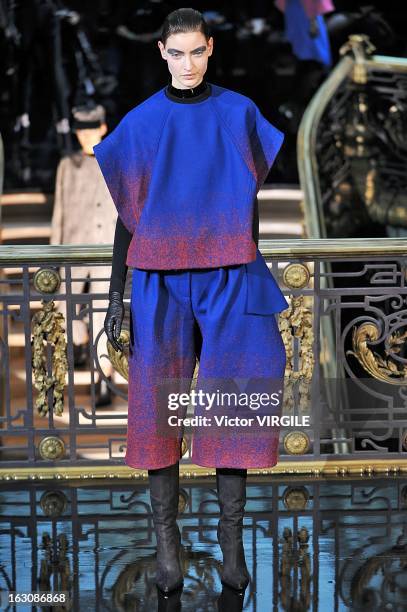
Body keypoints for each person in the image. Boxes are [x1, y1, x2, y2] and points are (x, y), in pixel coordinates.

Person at [94, 8, 288, 594]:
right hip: (158, 278)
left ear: (210, 49)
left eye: (196, 52)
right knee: (158, 409)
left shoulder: (238, 111)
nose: (187, 64)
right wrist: (115, 297)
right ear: (161, 52)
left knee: (234, 405)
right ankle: (168, 556)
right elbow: (127, 220)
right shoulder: (143, 121)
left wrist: (252, 264)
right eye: (175, 54)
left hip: (230, 272)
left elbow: (248, 200)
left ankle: (231, 554)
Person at [50, 104, 117, 406]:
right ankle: (79, 343)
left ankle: (104, 379)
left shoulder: (118, 161)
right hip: (73, 249)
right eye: (81, 130)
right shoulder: (68, 165)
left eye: (91, 129)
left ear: (103, 128)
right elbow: (60, 213)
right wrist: (54, 252)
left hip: (106, 249)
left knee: (104, 312)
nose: (86, 135)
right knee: (67, 306)